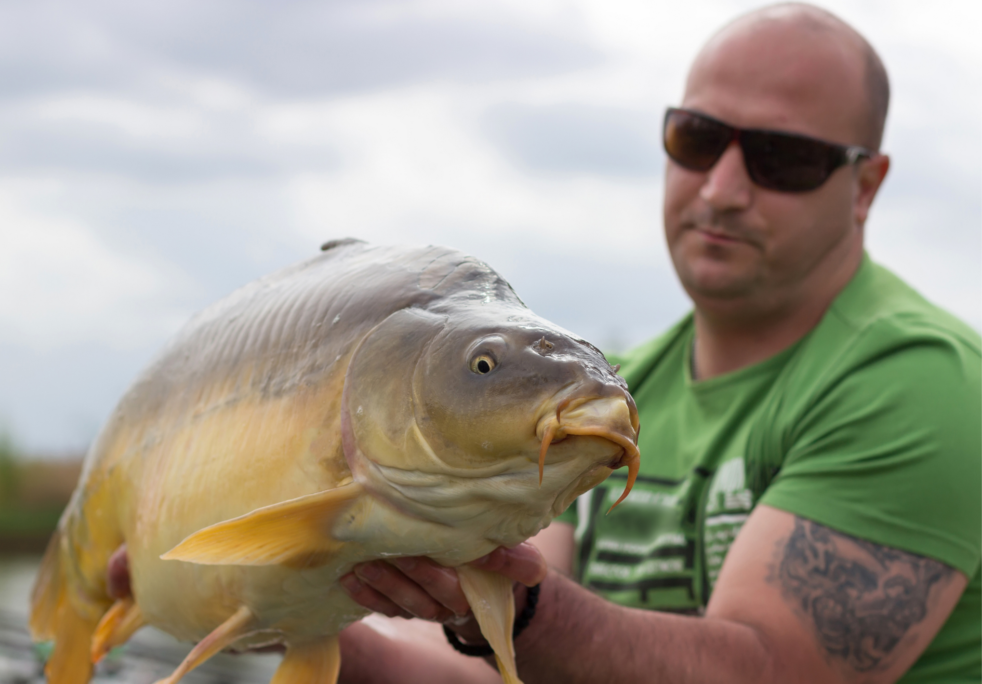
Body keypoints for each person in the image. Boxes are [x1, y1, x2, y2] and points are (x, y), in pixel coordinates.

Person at [333, 3, 981, 683]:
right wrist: (272, 623)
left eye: (783, 159)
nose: (722, 189)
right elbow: (479, 671)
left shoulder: (919, 380)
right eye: (698, 139)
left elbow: (770, 670)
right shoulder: (605, 396)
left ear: (866, 188)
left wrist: (516, 604)